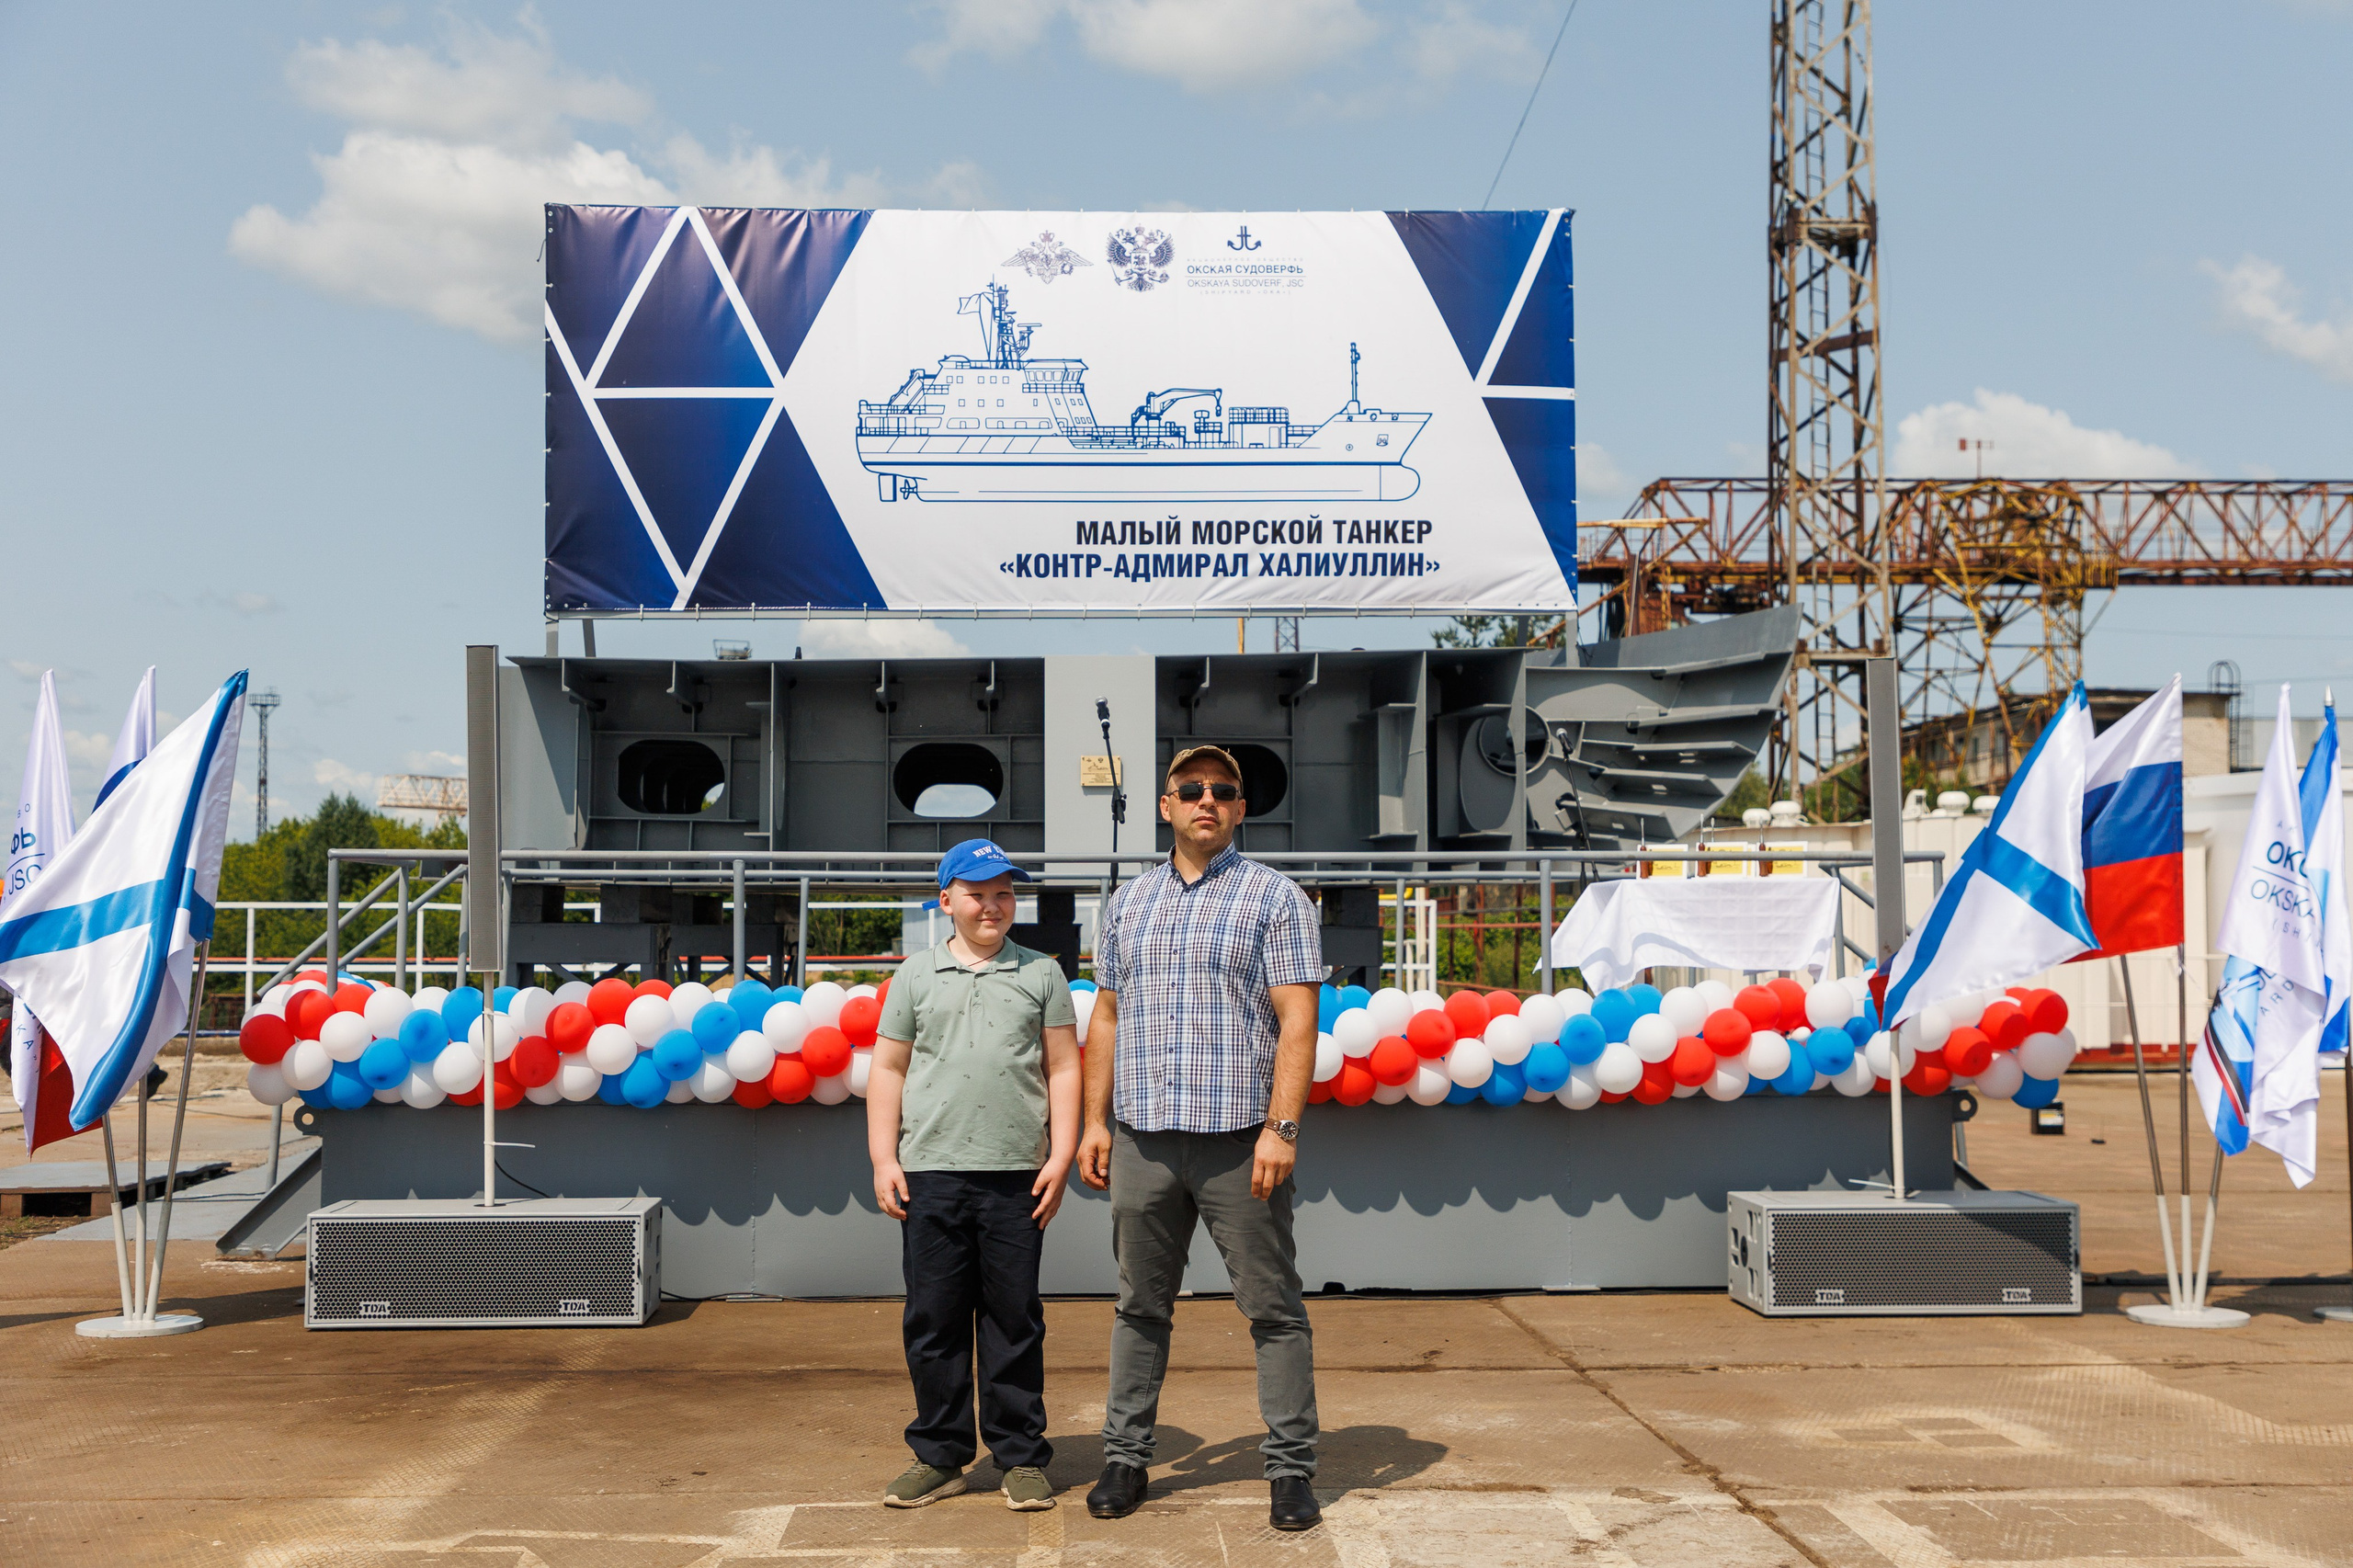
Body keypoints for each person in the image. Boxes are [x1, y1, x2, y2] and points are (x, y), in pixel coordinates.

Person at [1076, 744, 1325, 1532]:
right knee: (1139, 1306)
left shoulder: (1275, 899)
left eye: (1223, 791)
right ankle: (1125, 1458)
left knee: (1273, 1309)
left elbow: (1298, 1021)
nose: (1206, 800)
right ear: (1166, 806)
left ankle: (1290, 1470)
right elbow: (1107, 1017)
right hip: (1144, 1141)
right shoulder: (1127, 904)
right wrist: (1093, 1120)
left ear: (1242, 810)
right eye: (1191, 789)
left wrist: (1281, 1129)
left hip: (1237, 1143)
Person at [868, 837, 1082, 1513]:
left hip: (1017, 1175)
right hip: (931, 1173)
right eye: (978, 893)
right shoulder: (915, 976)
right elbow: (889, 1069)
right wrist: (883, 1157)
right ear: (947, 901)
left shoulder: (1041, 974)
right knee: (933, 1319)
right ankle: (940, 1454)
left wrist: (1061, 1153)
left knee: (1014, 1320)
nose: (993, 905)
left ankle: (1019, 1456)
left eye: (1004, 894)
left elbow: (1064, 1068)